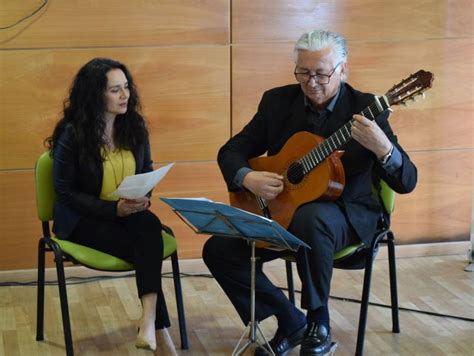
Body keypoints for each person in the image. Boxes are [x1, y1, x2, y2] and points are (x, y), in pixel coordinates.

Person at [203, 30, 417, 355]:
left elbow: (408, 181)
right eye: (303, 72)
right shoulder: (277, 102)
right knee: (218, 250)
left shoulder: (367, 107)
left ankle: (319, 320)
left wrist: (384, 149)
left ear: (342, 70)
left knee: (312, 217)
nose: (312, 82)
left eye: (321, 73)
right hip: (283, 210)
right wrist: (248, 178)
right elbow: (230, 152)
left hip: (346, 216)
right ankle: (291, 320)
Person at [46, 58, 177, 355]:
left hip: (126, 214)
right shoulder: (73, 134)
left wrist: (143, 195)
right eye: (115, 90)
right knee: (148, 248)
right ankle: (161, 335)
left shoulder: (135, 127)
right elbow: (64, 193)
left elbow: (146, 170)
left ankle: (148, 321)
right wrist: (112, 211)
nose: (125, 95)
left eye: (126, 87)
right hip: (83, 221)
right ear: (95, 96)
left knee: (149, 225)